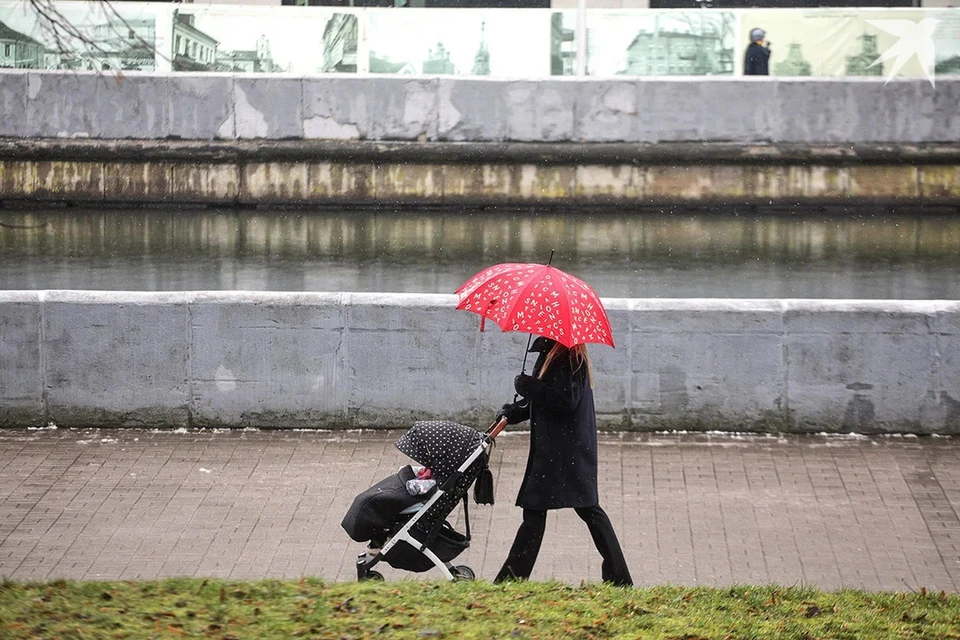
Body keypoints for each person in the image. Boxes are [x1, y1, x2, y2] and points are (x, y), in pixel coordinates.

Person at [493, 336, 633, 587]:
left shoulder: (570, 357)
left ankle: (511, 579)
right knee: (545, 512)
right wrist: (515, 412)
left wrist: (528, 387)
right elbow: (545, 399)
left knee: (580, 510)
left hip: (565, 453)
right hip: (559, 451)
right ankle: (511, 578)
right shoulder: (553, 352)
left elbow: (564, 401)